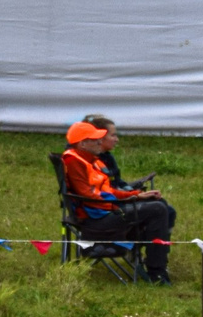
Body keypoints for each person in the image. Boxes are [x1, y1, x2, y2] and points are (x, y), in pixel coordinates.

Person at [60, 116, 176, 283]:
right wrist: (120, 205)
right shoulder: (74, 161)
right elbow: (87, 196)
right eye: (95, 140)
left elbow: (107, 191)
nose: (100, 142)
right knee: (158, 209)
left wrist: (135, 195)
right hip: (96, 220)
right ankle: (156, 272)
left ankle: (151, 262)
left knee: (159, 205)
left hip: (101, 212)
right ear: (82, 144)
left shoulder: (89, 160)